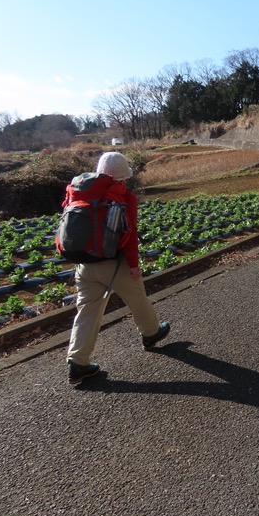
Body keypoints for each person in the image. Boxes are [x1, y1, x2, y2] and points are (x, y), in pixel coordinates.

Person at [65, 151, 171, 385]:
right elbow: (130, 236)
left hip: (84, 264)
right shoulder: (123, 196)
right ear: (123, 174)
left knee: (87, 311)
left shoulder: (77, 189)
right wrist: (133, 266)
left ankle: (77, 362)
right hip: (114, 263)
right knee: (137, 299)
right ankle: (151, 333)